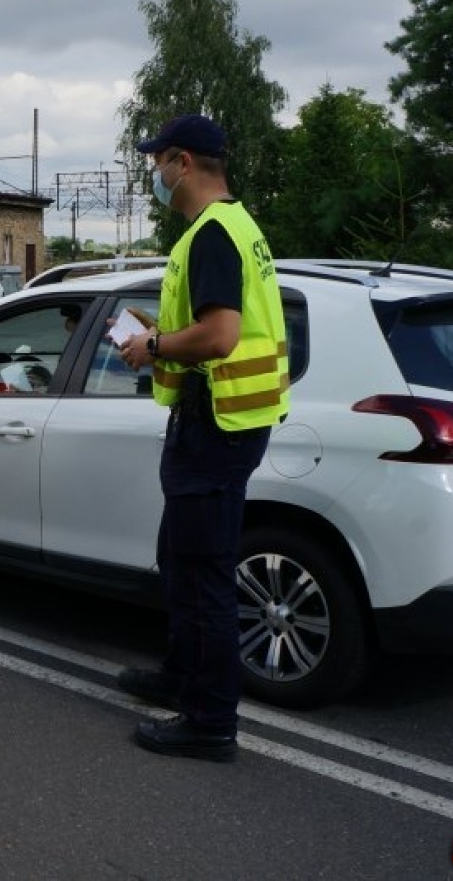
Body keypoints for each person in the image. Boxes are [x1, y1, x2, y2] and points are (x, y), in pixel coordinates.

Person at [115, 114, 291, 762]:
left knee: (205, 575)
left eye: (157, 160)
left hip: (216, 428)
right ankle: (180, 674)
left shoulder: (212, 234)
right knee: (181, 559)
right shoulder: (238, 228)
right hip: (223, 422)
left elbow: (218, 336)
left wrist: (153, 343)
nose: (153, 173)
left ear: (183, 162)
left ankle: (210, 722)